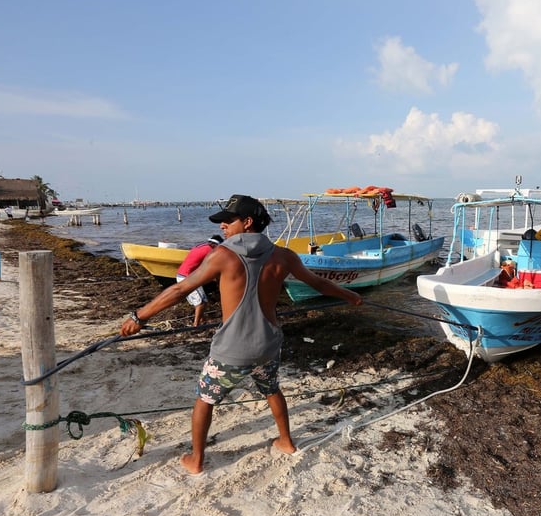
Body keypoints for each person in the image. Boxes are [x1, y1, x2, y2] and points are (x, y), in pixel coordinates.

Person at [119, 194, 362, 475]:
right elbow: (319, 283)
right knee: (271, 389)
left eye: (227, 220)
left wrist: (139, 316)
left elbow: (179, 290)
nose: (222, 226)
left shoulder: (222, 256)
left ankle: (196, 459)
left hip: (230, 351)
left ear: (247, 223)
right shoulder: (285, 256)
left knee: (204, 399)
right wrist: (351, 296)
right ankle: (285, 441)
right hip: (268, 346)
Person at [177, 234, 224, 326]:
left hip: (182, 275)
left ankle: (201, 320)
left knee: (200, 301)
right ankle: (196, 325)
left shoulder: (201, 246)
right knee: (201, 302)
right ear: (215, 245)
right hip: (188, 277)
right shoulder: (210, 251)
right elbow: (214, 267)